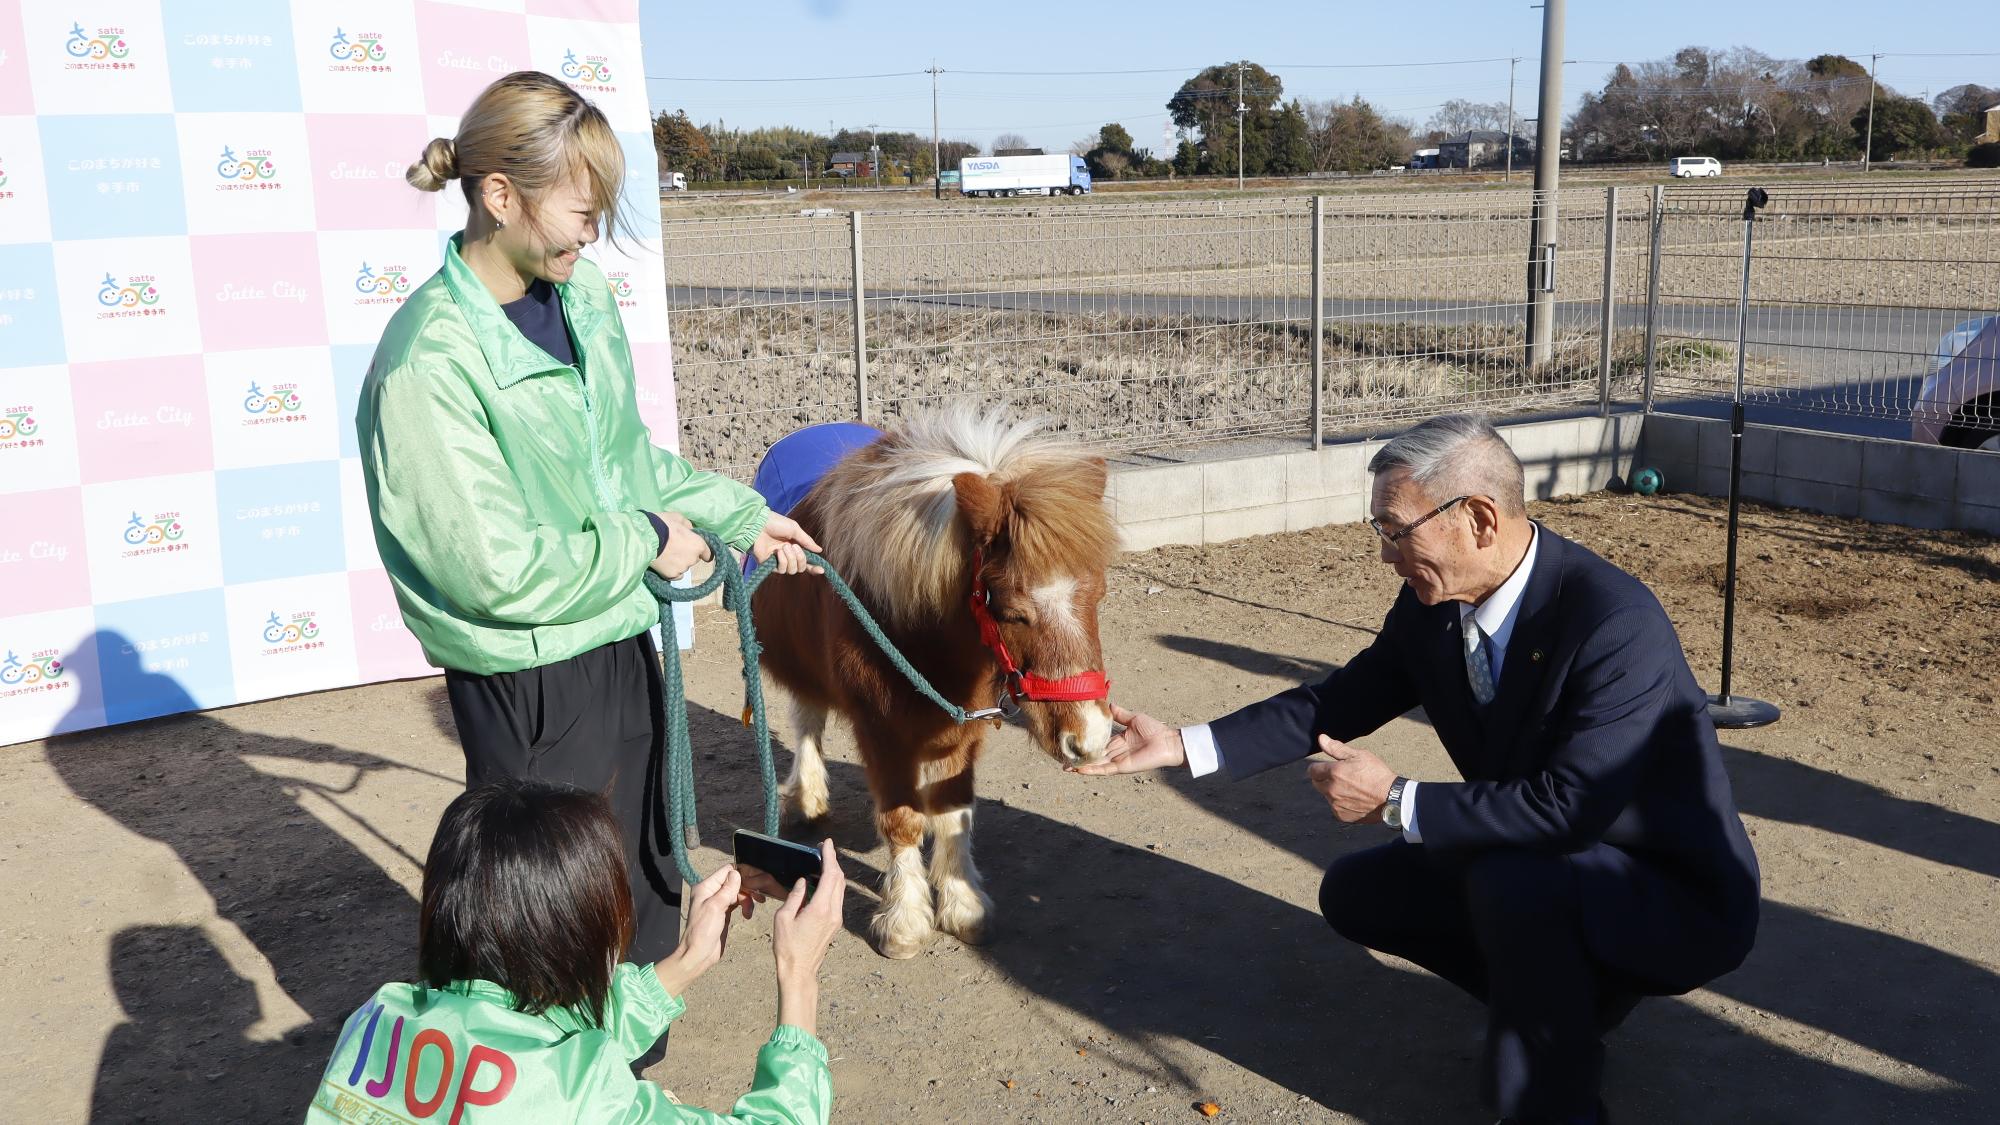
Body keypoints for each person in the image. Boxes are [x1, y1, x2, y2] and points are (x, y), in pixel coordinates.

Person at [1076, 414, 1760, 1124]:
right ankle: (1574, 1001)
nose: (1386, 554)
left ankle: (1552, 1102)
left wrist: (1397, 798)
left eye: (1396, 530)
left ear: (1479, 519)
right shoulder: (1434, 604)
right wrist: (1185, 743)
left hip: (1672, 893)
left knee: (1509, 882)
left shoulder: (1612, 622)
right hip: (1552, 863)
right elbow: (1340, 698)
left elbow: (1571, 807)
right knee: (1359, 892)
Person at [357, 70, 823, 971]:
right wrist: (646, 540)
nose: (594, 230)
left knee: (639, 881)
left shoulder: (583, 301)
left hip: (615, 640)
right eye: (580, 208)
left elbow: (625, 462)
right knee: (546, 921)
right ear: (499, 195)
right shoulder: (428, 363)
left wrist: (741, 516)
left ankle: (629, 1071)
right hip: (526, 675)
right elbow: (490, 568)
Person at [306, 778, 845, 1124]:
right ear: (574, 933)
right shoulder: (589, 1101)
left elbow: (526, 1039)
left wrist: (686, 961)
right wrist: (798, 976)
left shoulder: (378, 1019)